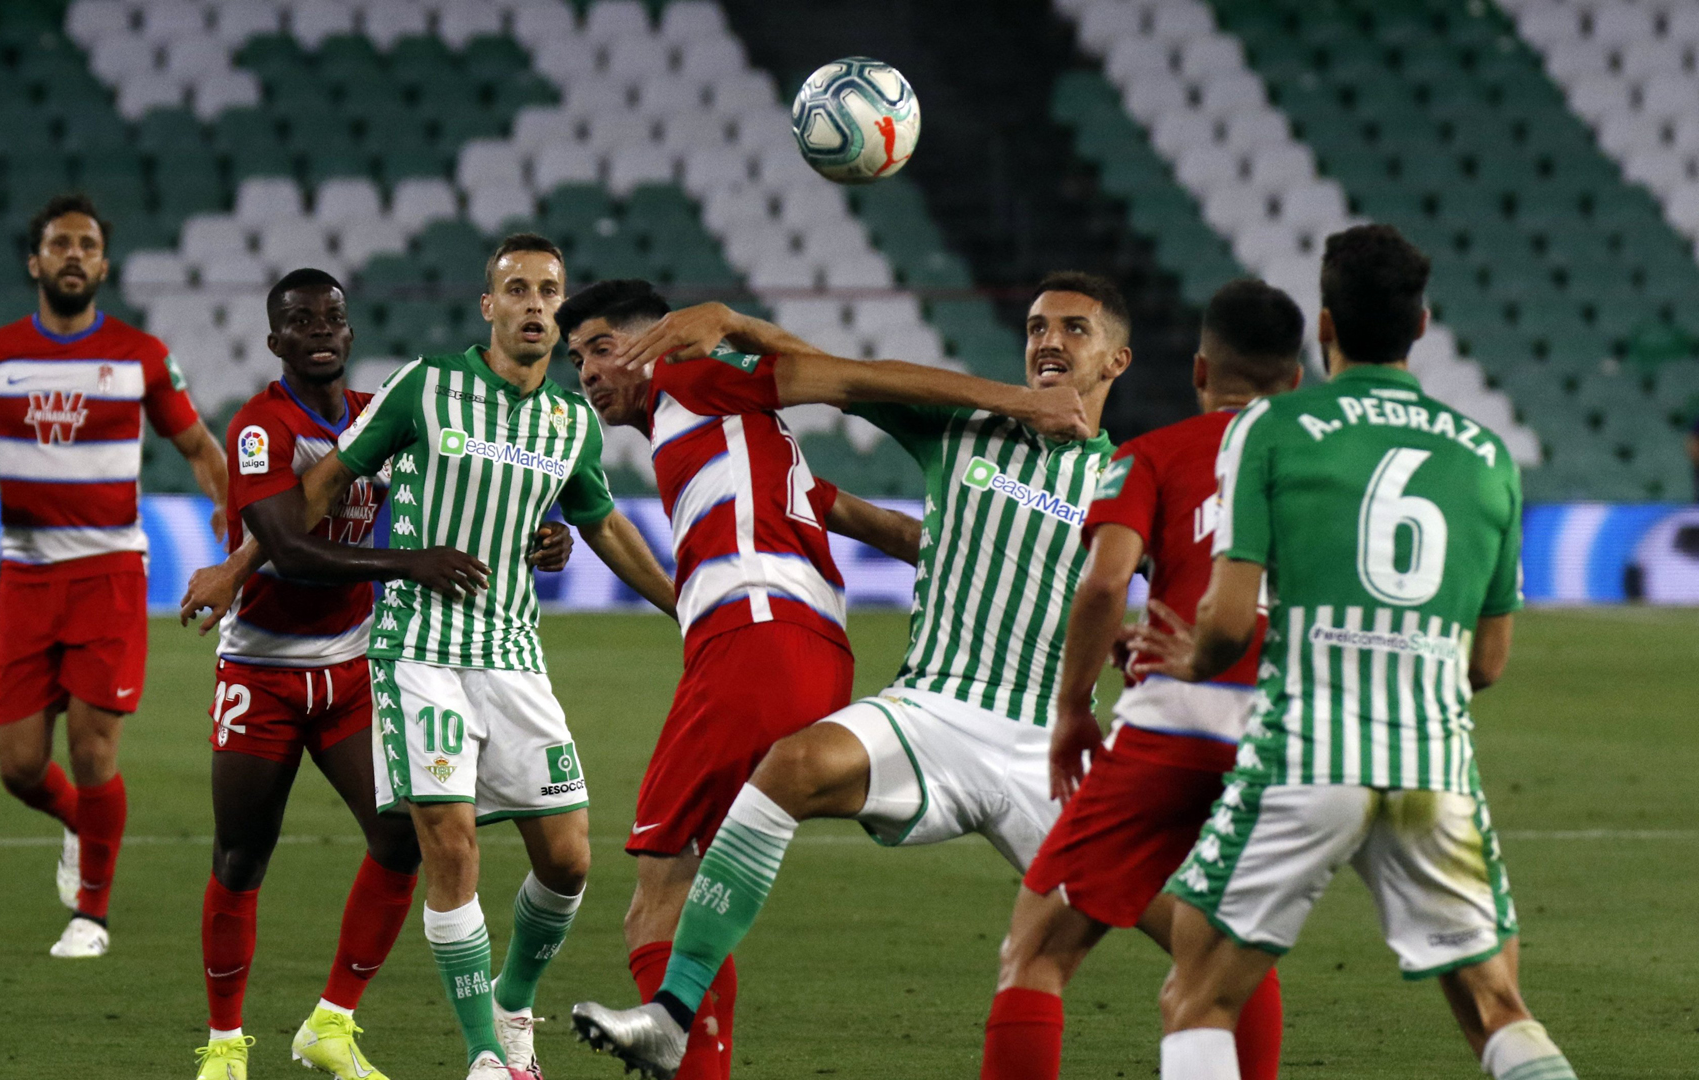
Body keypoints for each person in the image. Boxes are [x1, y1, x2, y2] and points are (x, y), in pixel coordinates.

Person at [570, 271, 1122, 1077]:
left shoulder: (1131, 478)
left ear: (1116, 359)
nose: (1049, 341)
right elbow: (846, 382)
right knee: (786, 772)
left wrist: (1141, 636)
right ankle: (675, 1011)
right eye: (1038, 326)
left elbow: (1189, 597)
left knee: (1175, 925)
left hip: (1043, 741)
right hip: (932, 709)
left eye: (1074, 329)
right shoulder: (963, 437)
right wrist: (744, 335)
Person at [1132, 226, 1577, 1080]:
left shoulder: (1272, 429)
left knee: (1198, 997)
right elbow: (1487, 664)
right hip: (1433, 767)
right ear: (1422, 325)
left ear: (1327, 326)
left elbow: (1228, 621)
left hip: (1306, 754)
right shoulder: (1487, 456)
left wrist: (1194, 660)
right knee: (1496, 1008)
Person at [284, 234, 677, 1080]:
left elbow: (602, 524)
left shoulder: (571, 421)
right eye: (518, 289)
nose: (535, 304)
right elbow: (326, 484)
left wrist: (688, 606)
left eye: (549, 291)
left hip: (512, 653)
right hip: (417, 651)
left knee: (568, 861)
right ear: (488, 306)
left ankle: (512, 1000)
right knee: (451, 846)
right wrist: (253, 562)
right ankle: (488, 1056)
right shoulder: (427, 386)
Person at [173, 268, 570, 1080]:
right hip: (262, 669)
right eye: (300, 320)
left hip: (353, 664)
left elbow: (472, 487)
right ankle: (224, 1041)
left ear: (350, 333)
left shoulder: (374, 414)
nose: (320, 330)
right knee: (242, 856)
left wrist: (542, 529)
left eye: (333, 317)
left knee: (399, 838)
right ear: (275, 340)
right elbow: (292, 546)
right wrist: (407, 563)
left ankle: (332, 1022)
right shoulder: (260, 427)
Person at [979, 279, 1305, 1080]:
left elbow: (1102, 584)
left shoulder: (1154, 455)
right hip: (1294, 735)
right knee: (1224, 960)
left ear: (1200, 371)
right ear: (1297, 380)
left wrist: (1071, 710)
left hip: (1177, 723)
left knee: (1037, 952)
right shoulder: (1333, 472)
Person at [0, 193, 228, 958]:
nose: (74, 255)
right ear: (35, 262)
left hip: (109, 574)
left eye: (87, 245)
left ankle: (91, 914)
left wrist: (230, 507)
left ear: (103, 264)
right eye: (60, 244)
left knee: (94, 751)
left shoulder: (140, 355)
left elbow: (199, 447)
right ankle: (80, 824)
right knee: (19, 768)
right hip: (26, 576)